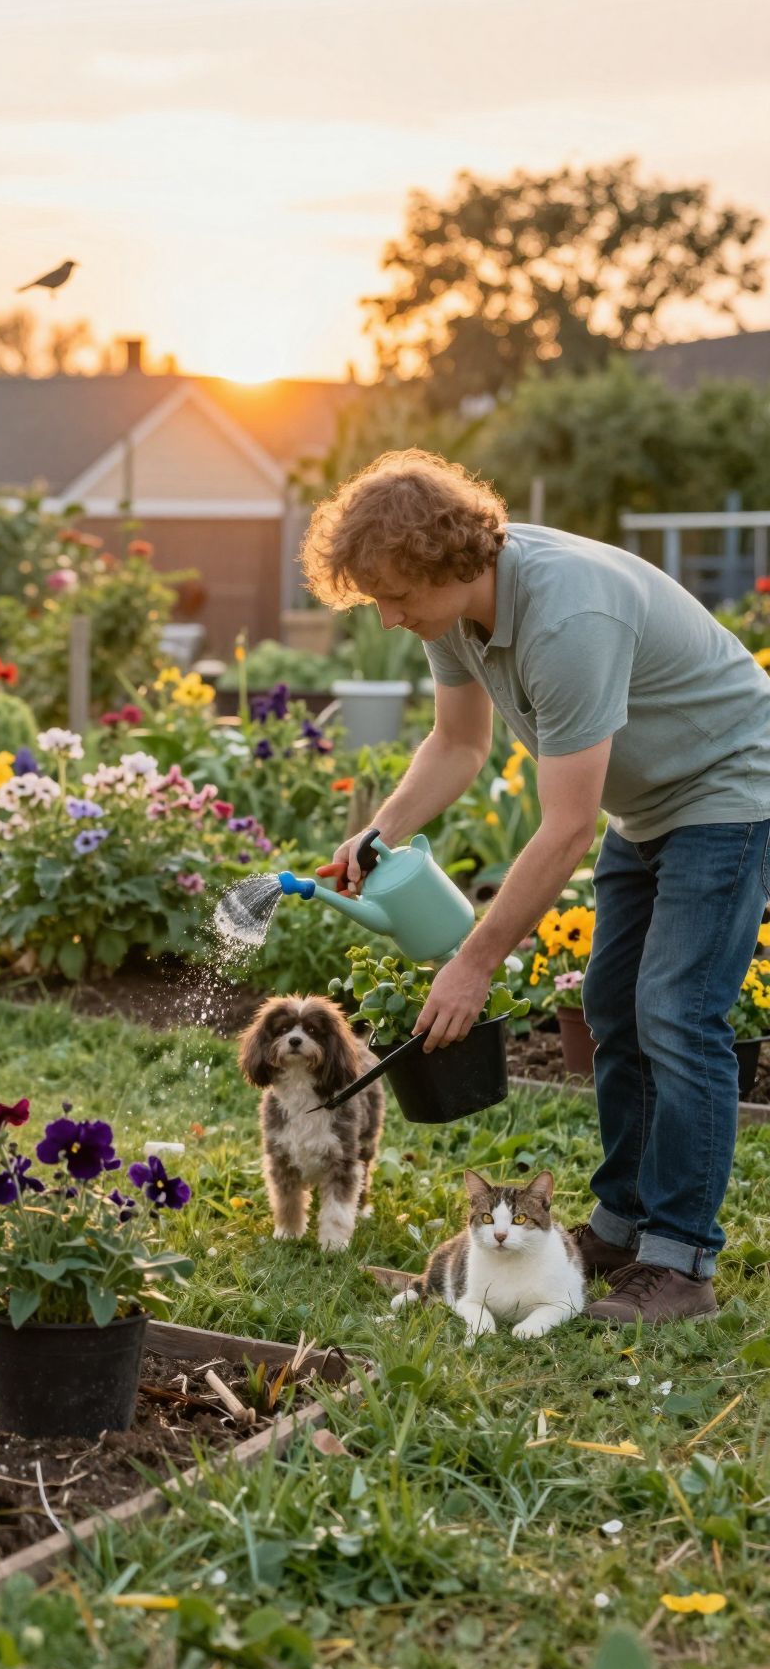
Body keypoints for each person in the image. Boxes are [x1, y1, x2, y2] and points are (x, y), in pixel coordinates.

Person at [302, 450, 770, 1325]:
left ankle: (683, 1263)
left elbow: (564, 832)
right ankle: (622, 1227)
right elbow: (458, 743)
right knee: (612, 1005)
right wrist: (381, 831)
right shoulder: (452, 612)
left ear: (449, 560)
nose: (389, 617)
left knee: (678, 1011)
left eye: (396, 596)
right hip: (651, 804)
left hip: (729, 787)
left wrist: (475, 962)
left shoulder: (567, 618)